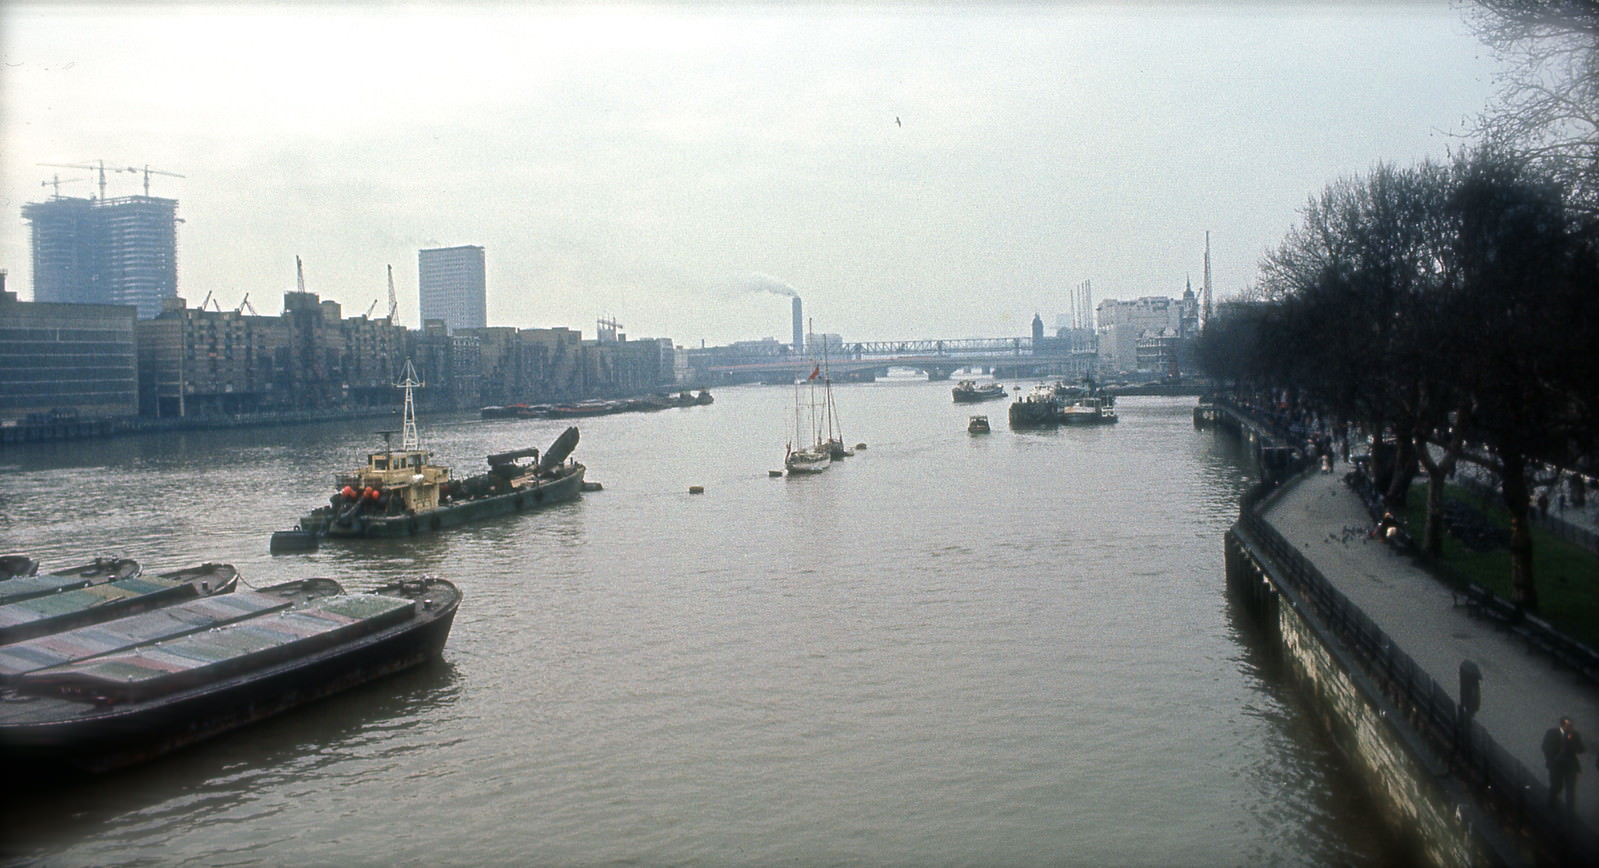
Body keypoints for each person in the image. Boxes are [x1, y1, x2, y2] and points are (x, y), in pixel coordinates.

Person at [1542, 716, 1586, 811]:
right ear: (1563, 725)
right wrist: (1551, 759)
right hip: (1556, 765)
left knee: (1570, 789)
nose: (1571, 727)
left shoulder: (1575, 735)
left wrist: (1571, 742)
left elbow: (1581, 749)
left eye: (1571, 725)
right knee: (1556, 786)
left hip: (1570, 766)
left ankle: (1570, 812)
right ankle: (1550, 806)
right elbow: (1545, 746)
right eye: (1569, 725)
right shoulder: (1552, 733)